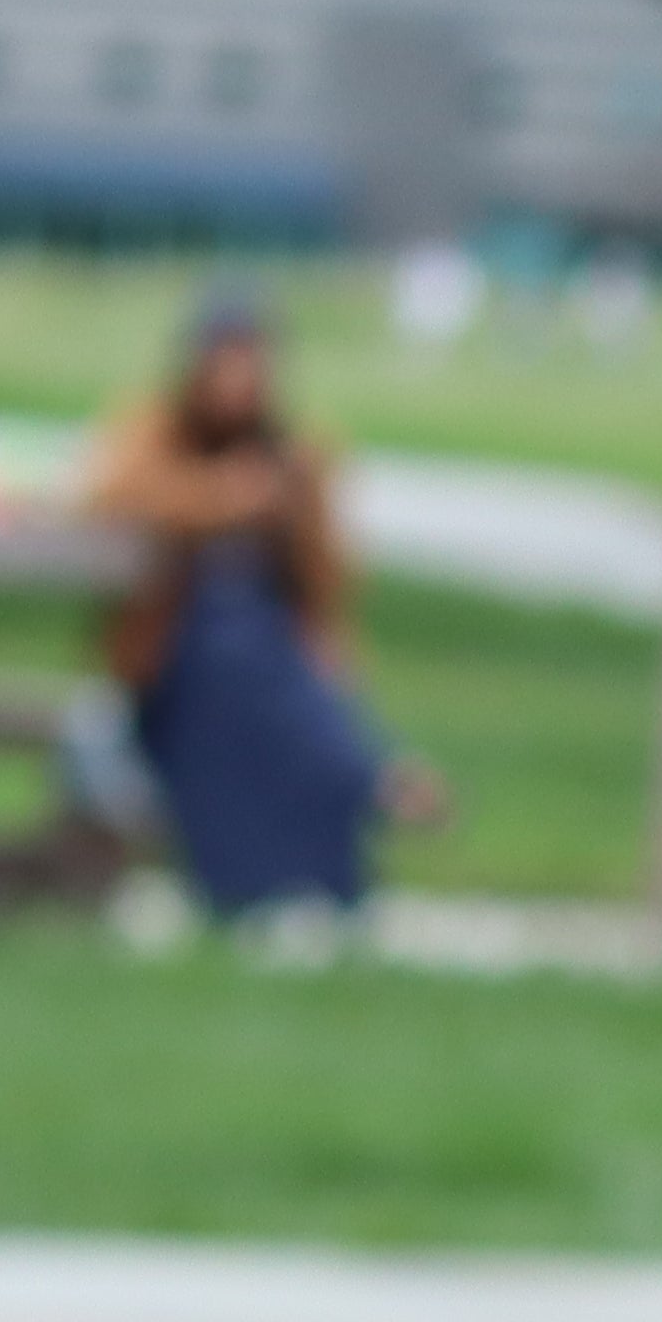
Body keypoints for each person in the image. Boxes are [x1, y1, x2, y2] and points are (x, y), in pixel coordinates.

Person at [80, 291, 414, 919]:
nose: (239, 382)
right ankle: (245, 886)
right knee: (239, 693)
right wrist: (225, 500)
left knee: (319, 740)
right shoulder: (154, 432)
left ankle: (337, 867)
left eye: (252, 364)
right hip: (175, 661)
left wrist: (334, 657)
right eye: (224, 363)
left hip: (275, 654)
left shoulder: (297, 454)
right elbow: (108, 496)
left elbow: (325, 580)